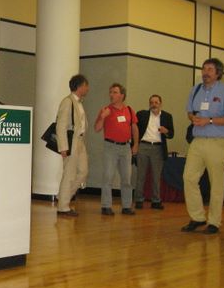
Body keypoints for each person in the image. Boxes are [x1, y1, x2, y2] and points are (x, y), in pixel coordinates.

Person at [182, 58, 224, 234]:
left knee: (217, 184)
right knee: (189, 178)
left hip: (217, 142)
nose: (205, 72)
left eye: (210, 69)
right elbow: (189, 112)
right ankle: (197, 217)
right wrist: (193, 118)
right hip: (197, 141)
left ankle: (214, 222)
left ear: (218, 73)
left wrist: (210, 120)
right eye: (204, 68)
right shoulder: (195, 89)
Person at [94, 83, 139, 216]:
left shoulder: (129, 110)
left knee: (126, 179)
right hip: (111, 147)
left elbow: (134, 128)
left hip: (126, 148)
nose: (111, 95)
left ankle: (126, 206)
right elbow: (97, 128)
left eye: (114, 92)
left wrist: (136, 144)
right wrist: (102, 116)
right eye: (110, 92)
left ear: (122, 95)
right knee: (108, 177)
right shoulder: (106, 110)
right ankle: (106, 206)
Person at [56, 74, 90, 217]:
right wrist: (63, 147)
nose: (87, 89)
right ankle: (63, 207)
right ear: (80, 86)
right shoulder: (67, 102)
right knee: (69, 174)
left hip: (80, 141)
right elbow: (61, 125)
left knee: (83, 172)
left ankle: (63, 197)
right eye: (86, 86)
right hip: (72, 142)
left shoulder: (79, 103)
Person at [134, 95, 174, 210]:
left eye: (156, 102)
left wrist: (166, 131)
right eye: (151, 102)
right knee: (140, 175)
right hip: (143, 146)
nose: (154, 104)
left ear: (160, 104)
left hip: (158, 148)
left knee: (156, 177)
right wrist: (135, 145)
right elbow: (135, 130)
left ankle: (156, 200)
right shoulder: (141, 115)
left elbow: (171, 134)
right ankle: (139, 200)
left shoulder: (167, 116)